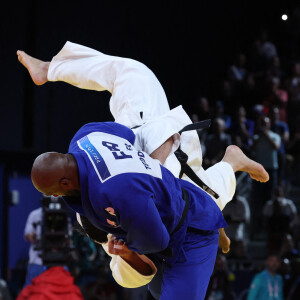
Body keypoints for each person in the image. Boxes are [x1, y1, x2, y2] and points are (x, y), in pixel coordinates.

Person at [29, 120, 268, 300]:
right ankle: (226, 174)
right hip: (168, 198)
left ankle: (222, 201)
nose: (54, 197)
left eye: (52, 192)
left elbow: (157, 240)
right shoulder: (85, 137)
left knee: (195, 207)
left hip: (190, 232)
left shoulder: (114, 195)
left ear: (64, 183)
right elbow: (127, 134)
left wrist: (127, 243)